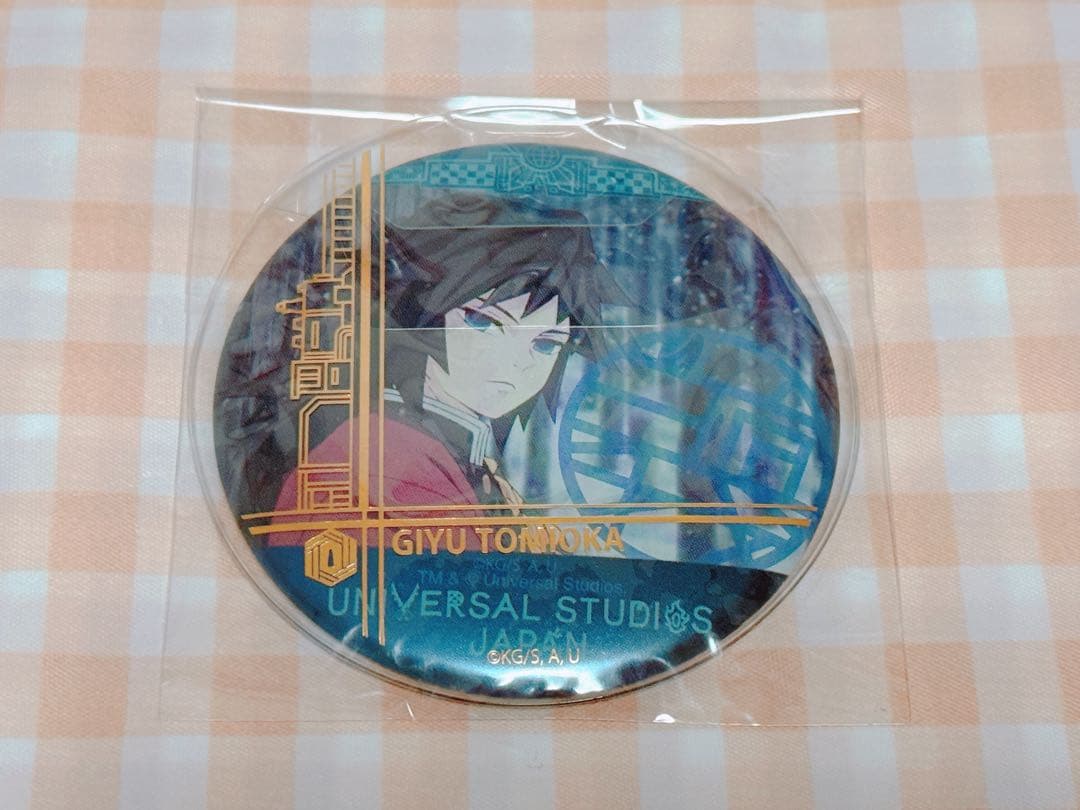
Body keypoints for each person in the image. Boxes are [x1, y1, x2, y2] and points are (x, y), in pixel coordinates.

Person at [269, 193, 628, 541]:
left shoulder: (470, 461)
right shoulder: (378, 459)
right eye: (486, 324)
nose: (518, 362)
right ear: (425, 314)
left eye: (546, 344)